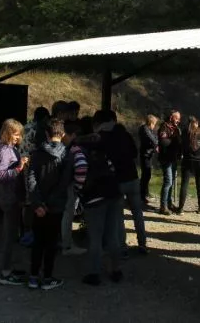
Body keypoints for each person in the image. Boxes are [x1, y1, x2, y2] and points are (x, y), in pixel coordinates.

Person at [79, 111, 124, 286]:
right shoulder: (112, 143)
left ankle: (94, 273)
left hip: (94, 196)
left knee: (95, 238)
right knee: (112, 235)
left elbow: (79, 175)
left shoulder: (82, 149)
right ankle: (116, 270)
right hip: (113, 192)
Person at [97, 110, 148, 256]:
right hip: (132, 176)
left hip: (118, 179)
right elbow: (134, 153)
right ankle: (142, 243)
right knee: (137, 212)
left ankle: (123, 246)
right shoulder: (125, 135)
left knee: (119, 215)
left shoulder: (104, 137)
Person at [26, 119, 68, 290]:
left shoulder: (37, 153)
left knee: (38, 241)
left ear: (46, 134)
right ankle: (48, 278)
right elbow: (64, 183)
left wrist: (38, 203)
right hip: (56, 206)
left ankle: (33, 277)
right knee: (51, 243)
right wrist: (49, 203)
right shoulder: (66, 155)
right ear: (63, 134)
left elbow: (31, 179)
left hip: (39, 207)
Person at [0, 119, 29, 286]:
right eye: (15, 134)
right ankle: (5, 273)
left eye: (19, 135)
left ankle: (9, 267)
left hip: (14, 197)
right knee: (9, 236)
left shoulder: (9, 148)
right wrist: (18, 168)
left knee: (13, 234)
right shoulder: (4, 151)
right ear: (7, 133)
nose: (18, 138)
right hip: (9, 198)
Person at [18, 106, 50, 247]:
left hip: (22, 165)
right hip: (32, 167)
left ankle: (24, 232)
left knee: (26, 201)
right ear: (45, 118)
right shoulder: (39, 129)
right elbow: (43, 148)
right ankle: (31, 233)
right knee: (33, 200)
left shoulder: (25, 127)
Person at [60, 121, 88, 256]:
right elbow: (82, 167)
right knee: (68, 215)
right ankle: (67, 245)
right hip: (70, 186)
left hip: (62, 186)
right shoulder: (75, 149)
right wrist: (78, 187)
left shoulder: (63, 148)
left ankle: (63, 242)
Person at [177, 116, 200, 215]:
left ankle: (180, 209)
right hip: (199, 161)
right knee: (199, 184)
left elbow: (181, 145)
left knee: (184, 184)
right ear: (196, 123)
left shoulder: (184, 133)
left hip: (187, 160)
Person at [157, 110, 182, 215]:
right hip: (166, 158)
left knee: (171, 182)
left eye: (179, 119)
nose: (178, 120)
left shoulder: (176, 129)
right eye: (177, 118)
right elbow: (163, 142)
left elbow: (179, 142)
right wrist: (175, 141)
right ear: (171, 117)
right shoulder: (164, 127)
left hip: (173, 158)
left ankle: (169, 203)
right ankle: (163, 206)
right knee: (168, 182)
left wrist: (180, 151)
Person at [138, 114, 159, 206]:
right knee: (146, 174)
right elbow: (153, 139)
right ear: (151, 123)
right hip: (145, 154)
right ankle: (141, 194)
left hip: (148, 154)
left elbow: (155, 138)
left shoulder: (149, 129)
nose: (154, 126)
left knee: (147, 174)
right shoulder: (145, 129)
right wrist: (157, 144)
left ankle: (144, 193)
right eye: (154, 124)